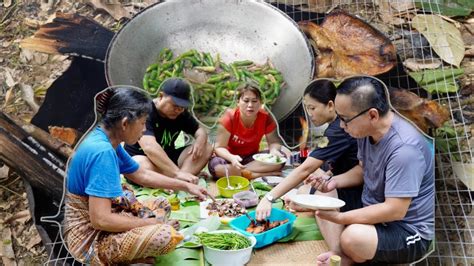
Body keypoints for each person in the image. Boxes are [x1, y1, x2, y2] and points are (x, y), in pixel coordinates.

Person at [63, 87, 210, 265]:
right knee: (164, 235)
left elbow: (141, 174)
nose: (143, 130)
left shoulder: (108, 141)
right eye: (142, 123)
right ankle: (114, 259)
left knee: (161, 204)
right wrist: (154, 224)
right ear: (125, 123)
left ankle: (132, 253)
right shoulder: (102, 152)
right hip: (89, 239)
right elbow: (100, 219)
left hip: (104, 219)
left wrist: (186, 185)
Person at [308, 76, 434, 265]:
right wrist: (332, 182)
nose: (342, 125)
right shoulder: (364, 130)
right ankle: (338, 253)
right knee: (321, 196)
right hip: (371, 207)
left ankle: (350, 253)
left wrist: (341, 217)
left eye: (345, 119)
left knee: (353, 236)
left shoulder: (405, 149)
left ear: (372, 115)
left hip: (406, 230)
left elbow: (395, 211)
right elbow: (362, 170)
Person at [255, 79, 360, 220]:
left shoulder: (338, 130)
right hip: (335, 178)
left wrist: (268, 198)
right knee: (301, 187)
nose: (309, 113)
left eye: (312, 108)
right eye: (307, 108)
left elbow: (306, 168)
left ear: (330, 105)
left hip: (351, 193)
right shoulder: (334, 127)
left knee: (301, 189)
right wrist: (326, 174)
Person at [125, 78, 213, 184]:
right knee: (138, 163)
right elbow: (149, 147)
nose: (178, 110)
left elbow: (199, 130)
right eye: (175, 106)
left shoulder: (181, 113)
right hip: (147, 161)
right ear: (161, 96)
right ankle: (178, 179)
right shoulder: (145, 111)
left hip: (169, 161)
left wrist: (200, 140)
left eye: (182, 107)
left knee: (206, 147)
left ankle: (177, 181)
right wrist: (177, 172)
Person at [209, 84, 287, 180]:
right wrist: (232, 157)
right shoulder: (229, 118)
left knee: (281, 158)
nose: (250, 105)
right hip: (229, 159)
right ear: (238, 102)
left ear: (260, 103)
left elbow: (274, 142)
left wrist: (274, 150)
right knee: (216, 168)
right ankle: (258, 174)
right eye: (246, 101)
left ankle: (241, 173)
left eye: (254, 101)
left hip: (251, 158)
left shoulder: (265, 118)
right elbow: (219, 147)